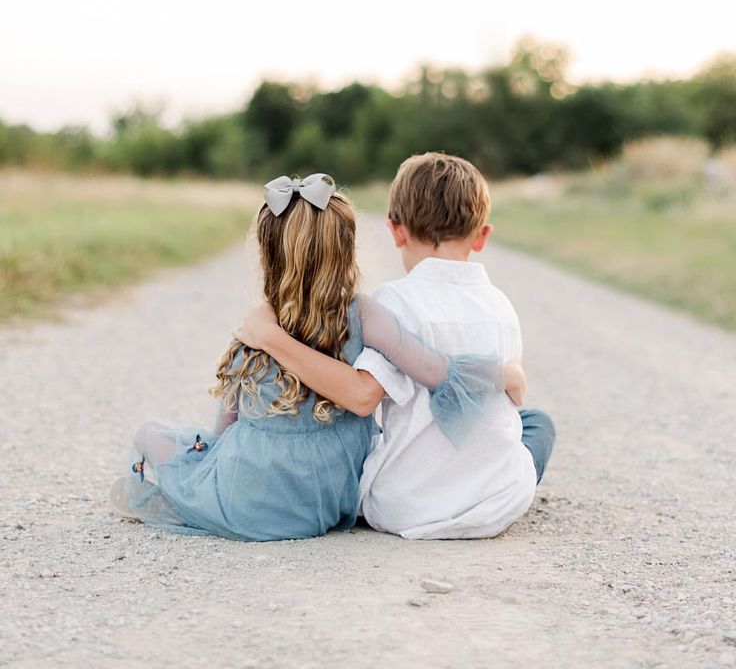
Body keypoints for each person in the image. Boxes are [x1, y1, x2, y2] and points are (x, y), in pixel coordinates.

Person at [110, 172, 523, 541]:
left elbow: (223, 430)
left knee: (154, 434)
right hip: (329, 504)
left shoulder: (256, 328)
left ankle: (160, 492)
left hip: (245, 498)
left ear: (268, 256)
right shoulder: (365, 314)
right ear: (346, 250)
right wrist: (505, 374)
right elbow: (436, 370)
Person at [237, 153, 555, 540]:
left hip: (400, 507)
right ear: (482, 236)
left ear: (396, 231)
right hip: (493, 508)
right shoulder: (501, 306)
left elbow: (361, 393)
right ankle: (491, 482)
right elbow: (508, 395)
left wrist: (273, 339)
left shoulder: (392, 302)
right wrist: (510, 374)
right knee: (537, 423)